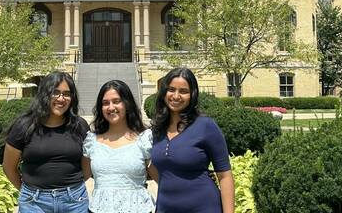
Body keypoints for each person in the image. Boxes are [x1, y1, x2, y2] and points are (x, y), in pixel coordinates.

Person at [2, 71, 90, 213]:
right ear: (45, 94)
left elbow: (87, 167)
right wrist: (28, 191)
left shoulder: (80, 126)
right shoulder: (24, 126)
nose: (61, 98)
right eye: (55, 92)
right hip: (34, 203)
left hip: (74, 201)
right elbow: (8, 167)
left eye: (67, 94)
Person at [151, 68, 235, 213]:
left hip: (204, 207)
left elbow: (225, 176)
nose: (176, 96)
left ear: (192, 95)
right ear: (164, 92)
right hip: (166, 208)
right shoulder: (157, 130)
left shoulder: (206, 126)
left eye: (183, 91)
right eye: (171, 89)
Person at [82, 80, 156, 213]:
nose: (111, 107)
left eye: (116, 101)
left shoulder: (143, 140)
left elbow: (161, 179)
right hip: (99, 209)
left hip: (138, 208)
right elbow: (82, 176)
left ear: (127, 104)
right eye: (105, 103)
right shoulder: (91, 141)